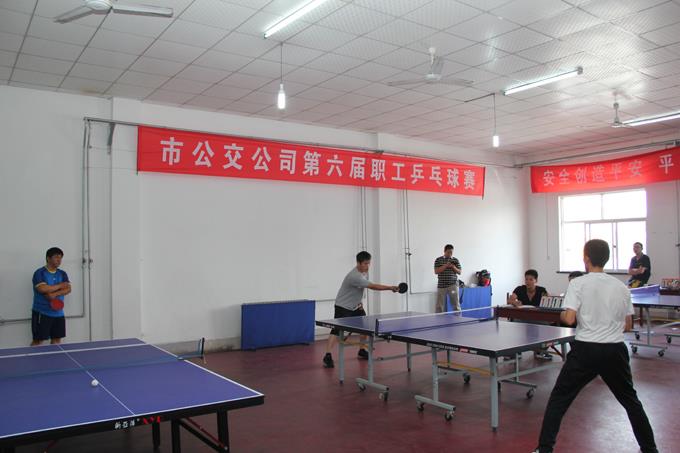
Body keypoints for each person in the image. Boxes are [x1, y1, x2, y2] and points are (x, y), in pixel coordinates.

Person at [533, 239, 657, 453]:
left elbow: (569, 319)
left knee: (559, 400)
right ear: (606, 258)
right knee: (630, 401)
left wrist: (562, 314)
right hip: (615, 350)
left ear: (586, 258)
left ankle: (544, 449)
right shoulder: (621, 287)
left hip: (585, 350)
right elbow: (628, 325)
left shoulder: (577, 283)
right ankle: (650, 449)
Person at [323, 251, 398, 368]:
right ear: (358, 263)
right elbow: (372, 286)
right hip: (343, 306)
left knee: (364, 328)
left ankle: (362, 350)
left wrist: (360, 302)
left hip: (356, 306)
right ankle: (327, 355)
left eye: (369, 263)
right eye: (365, 264)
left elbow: (359, 290)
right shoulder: (355, 276)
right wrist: (390, 288)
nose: (367, 266)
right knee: (336, 330)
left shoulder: (364, 272)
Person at [31, 247, 71, 346]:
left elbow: (68, 289)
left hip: (59, 313)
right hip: (42, 313)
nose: (59, 260)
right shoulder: (40, 273)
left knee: (56, 340)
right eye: (56, 257)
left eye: (60, 258)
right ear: (48, 258)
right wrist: (60, 285)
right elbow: (42, 289)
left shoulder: (62, 273)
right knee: (38, 341)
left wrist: (54, 293)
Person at [509, 269, 551, 360]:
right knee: (514, 326)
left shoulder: (542, 290)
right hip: (522, 318)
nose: (528, 282)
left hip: (538, 318)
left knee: (547, 328)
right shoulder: (519, 289)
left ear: (536, 280)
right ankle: (516, 352)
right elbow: (510, 300)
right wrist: (515, 302)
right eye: (526, 279)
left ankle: (541, 351)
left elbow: (549, 301)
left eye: (531, 279)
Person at [433, 244, 462, 313]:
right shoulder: (438, 260)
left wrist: (453, 267)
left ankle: (458, 318)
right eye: (448, 252)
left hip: (453, 286)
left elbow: (459, 272)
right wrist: (445, 266)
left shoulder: (455, 260)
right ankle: (438, 318)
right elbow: (436, 271)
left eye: (451, 252)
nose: (450, 254)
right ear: (444, 251)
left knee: (455, 304)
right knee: (439, 305)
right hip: (441, 286)